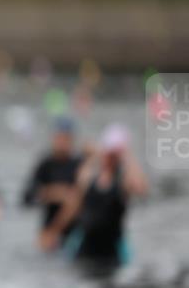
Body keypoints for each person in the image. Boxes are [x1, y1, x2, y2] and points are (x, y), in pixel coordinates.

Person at [41, 123, 148, 277]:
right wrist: (53, 231)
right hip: (85, 244)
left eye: (113, 153)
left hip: (112, 248)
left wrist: (127, 157)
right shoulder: (89, 173)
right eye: (108, 151)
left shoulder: (123, 179)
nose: (110, 156)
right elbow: (73, 206)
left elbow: (141, 188)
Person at [21, 116, 84, 250]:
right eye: (58, 138)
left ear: (72, 140)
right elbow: (26, 198)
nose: (61, 142)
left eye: (65, 138)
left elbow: (82, 198)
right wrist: (53, 193)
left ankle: (53, 233)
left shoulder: (79, 164)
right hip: (47, 229)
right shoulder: (45, 164)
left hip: (72, 231)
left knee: (73, 200)